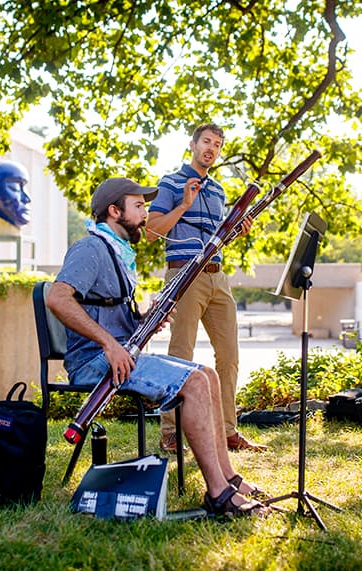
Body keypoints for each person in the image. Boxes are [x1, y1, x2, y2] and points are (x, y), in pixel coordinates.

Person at [46, 177, 270, 517]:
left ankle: (229, 477)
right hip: (94, 361)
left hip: (120, 355)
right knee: (194, 383)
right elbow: (57, 298)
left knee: (207, 374)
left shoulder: (119, 252)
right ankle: (218, 494)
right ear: (114, 211)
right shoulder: (90, 249)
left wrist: (144, 318)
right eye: (138, 206)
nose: (146, 214)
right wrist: (109, 343)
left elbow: (107, 312)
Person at [146, 123, 267, 453]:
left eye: (217, 144)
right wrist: (183, 204)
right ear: (193, 145)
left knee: (229, 356)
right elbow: (152, 231)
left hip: (218, 277)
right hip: (184, 275)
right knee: (180, 355)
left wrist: (237, 231)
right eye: (206, 142)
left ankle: (228, 431)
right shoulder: (170, 183)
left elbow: (217, 238)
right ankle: (171, 432)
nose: (211, 148)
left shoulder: (218, 192)